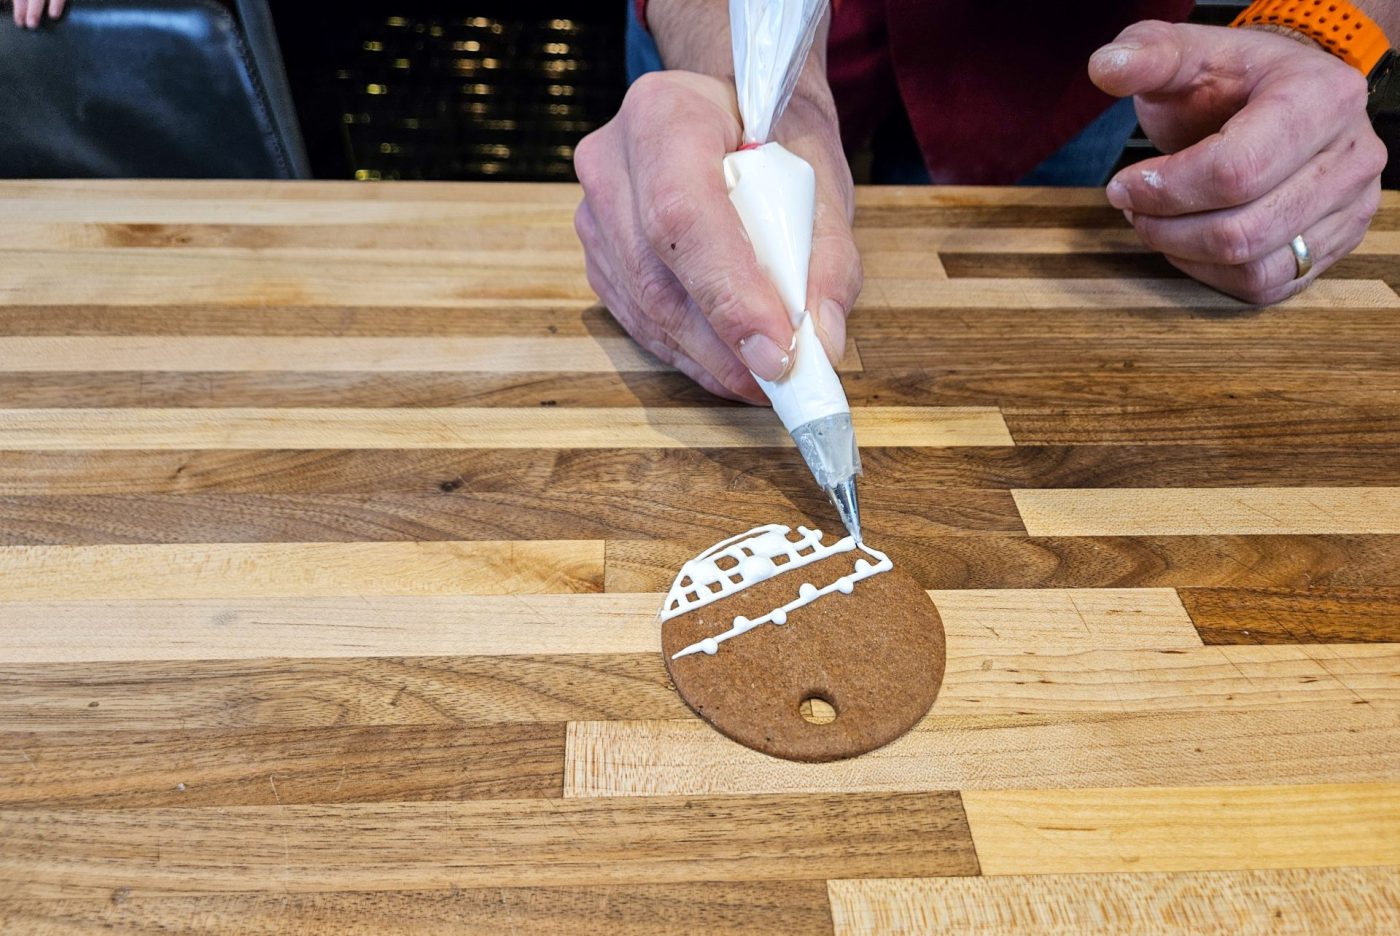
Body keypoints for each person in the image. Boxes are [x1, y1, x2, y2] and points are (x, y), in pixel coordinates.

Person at [574, 0, 1393, 403]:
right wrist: (754, 82)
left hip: (1060, 62)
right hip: (733, 27)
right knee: (700, 210)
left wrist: (1318, 31)